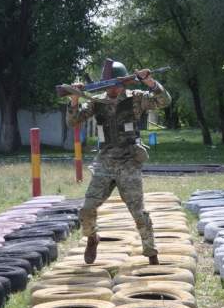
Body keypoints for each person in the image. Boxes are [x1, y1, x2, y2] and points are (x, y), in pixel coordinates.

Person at [66, 60, 171, 265]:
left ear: (124, 83)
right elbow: (73, 121)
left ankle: (151, 253)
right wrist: (74, 100)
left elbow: (164, 100)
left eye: (115, 84)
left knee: (138, 212)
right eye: (108, 84)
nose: (112, 88)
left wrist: (149, 82)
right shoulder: (96, 101)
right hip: (105, 163)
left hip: (129, 162)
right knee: (87, 209)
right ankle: (92, 238)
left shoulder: (136, 99)